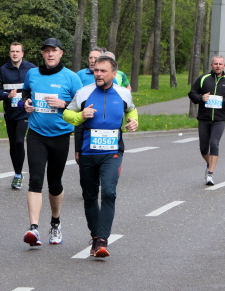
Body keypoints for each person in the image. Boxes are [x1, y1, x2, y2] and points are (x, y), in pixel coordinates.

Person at [64, 55, 138, 257]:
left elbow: (132, 110)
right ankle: (96, 237)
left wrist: (133, 121)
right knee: (89, 196)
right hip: (88, 152)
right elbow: (67, 114)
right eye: (96, 70)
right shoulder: (83, 93)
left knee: (108, 192)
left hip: (112, 152)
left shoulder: (123, 93)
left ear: (114, 74)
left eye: (103, 71)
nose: (98, 74)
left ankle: (103, 240)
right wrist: (80, 116)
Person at [20, 37, 83, 247]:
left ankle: (55, 223)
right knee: (35, 179)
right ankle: (33, 228)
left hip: (60, 135)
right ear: (42, 54)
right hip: (36, 133)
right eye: (46, 51)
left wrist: (63, 103)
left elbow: (82, 106)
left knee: (54, 183)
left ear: (61, 53)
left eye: (53, 50)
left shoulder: (71, 77)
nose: (50, 54)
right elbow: (25, 93)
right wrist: (25, 103)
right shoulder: (32, 74)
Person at [188, 55, 225, 186]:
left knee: (214, 143)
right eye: (215, 64)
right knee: (203, 148)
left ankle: (210, 174)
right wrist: (201, 98)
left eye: (220, 64)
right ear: (211, 65)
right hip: (204, 118)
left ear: (224, 66)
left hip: (219, 119)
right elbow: (192, 94)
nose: (218, 66)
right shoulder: (203, 79)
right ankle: (209, 164)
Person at [0, 42, 36, 189]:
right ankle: (17, 174)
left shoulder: (31, 69)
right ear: (9, 53)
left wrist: (30, 100)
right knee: (13, 144)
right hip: (11, 112)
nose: (15, 54)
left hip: (25, 112)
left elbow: (36, 87)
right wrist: (7, 95)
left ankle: (22, 173)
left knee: (19, 141)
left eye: (17, 51)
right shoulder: (3, 70)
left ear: (22, 54)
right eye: (12, 51)